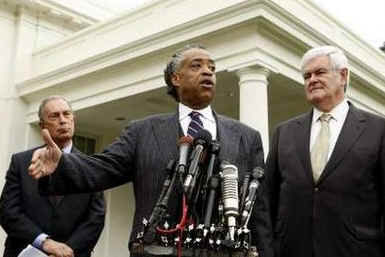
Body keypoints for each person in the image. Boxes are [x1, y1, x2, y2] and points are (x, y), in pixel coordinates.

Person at [27, 45, 273, 257]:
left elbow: (259, 212)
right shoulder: (142, 132)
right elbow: (101, 168)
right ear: (175, 78)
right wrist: (61, 164)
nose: (208, 71)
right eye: (196, 66)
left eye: (212, 67)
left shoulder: (246, 137)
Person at [266, 45, 385, 257]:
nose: (312, 80)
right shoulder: (284, 133)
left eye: (320, 72)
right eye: (306, 76)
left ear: (343, 75)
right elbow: (268, 200)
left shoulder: (378, 130)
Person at [0, 96, 105, 257]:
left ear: (73, 120)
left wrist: (66, 251)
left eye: (67, 114)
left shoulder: (90, 165)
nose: (63, 120)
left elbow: (95, 219)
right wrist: (44, 242)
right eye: (54, 116)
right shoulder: (21, 162)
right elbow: (8, 212)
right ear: (43, 125)